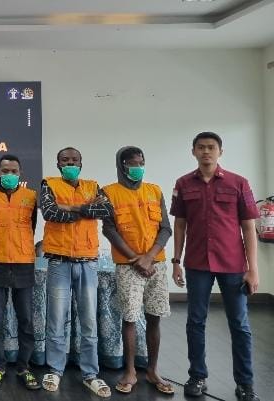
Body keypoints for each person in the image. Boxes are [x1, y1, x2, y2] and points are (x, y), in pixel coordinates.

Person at [170, 132, 260, 401]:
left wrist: (253, 268)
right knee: (195, 321)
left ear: (220, 151)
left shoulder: (238, 183)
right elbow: (180, 224)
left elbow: (248, 227)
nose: (206, 152)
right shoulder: (183, 184)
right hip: (197, 263)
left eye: (211, 147)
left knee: (239, 324)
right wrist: (176, 261)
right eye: (201, 147)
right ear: (193, 152)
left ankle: (245, 383)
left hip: (232, 264)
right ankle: (197, 376)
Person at [39, 147, 112, 398]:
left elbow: (106, 211)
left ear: (81, 163)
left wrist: (69, 208)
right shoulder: (48, 184)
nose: (70, 163)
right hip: (59, 262)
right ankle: (55, 370)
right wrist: (85, 209)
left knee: (88, 322)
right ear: (57, 164)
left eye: (74, 160)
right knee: (57, 320)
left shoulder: (93, 186)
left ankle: (90, 374)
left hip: (88, 262)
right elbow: (50, 212)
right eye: (65, 160)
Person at [102, 146, 174, 395]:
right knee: (130, 318)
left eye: (141, 163)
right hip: (127, 266)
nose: (138, 167)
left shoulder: (155, 190)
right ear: (122, 166)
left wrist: (149, 257)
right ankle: (130, 371)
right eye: (133, 163)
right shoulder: (109, 192)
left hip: (156, 264)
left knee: (154, 317)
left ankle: (152, 370)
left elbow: (166, 228)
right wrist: (135, 260)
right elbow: (109, 229)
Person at [0, 154, 39, 390]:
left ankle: (24, 367)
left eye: (14, 171)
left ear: (20, 173)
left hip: (23, 263)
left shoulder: (31, 197)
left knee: (26, 320)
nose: (10, 174)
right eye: (5, 171)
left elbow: (32, 226)